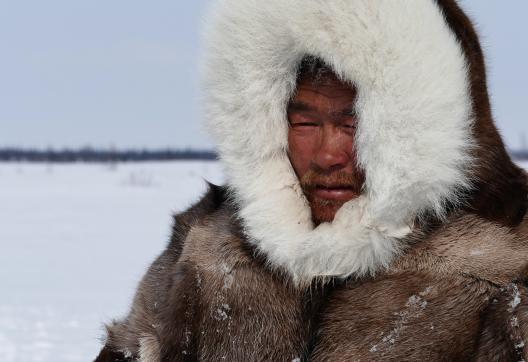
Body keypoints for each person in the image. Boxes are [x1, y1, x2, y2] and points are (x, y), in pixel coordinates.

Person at [95, 0, 528, 360]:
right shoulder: (208, 250)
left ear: (422, 127)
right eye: (304, 123)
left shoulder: (508, 262)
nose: (327, 154)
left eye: (355, 122)